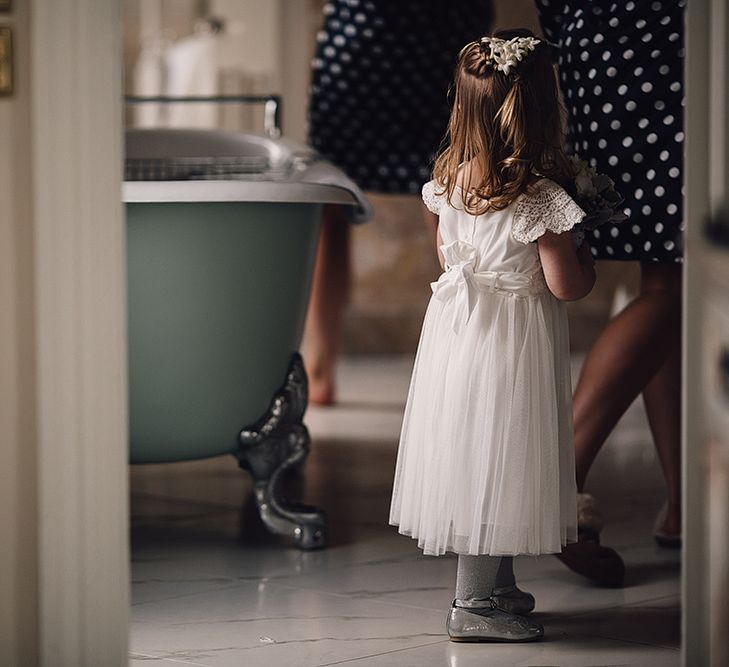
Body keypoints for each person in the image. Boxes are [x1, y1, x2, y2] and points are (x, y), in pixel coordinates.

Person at [389, 30, 596, 642]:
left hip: (459, 336)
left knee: (485, 457)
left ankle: (496, 587)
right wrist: (588, 261)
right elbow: (566, 288)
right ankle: (473, 604)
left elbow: (448, 259)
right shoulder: (539, 199)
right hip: (510, 343)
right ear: (540, 110)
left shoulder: (448, 180)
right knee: (499, 456)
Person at [535, 0, 685, 583]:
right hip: (666, 53)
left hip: (598, 51)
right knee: (677, 281)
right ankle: (559, 478)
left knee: (666, 275)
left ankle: (680, 505)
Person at [305, 0, 494, 405]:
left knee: (450, 193)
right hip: (371, 38)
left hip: (433, 34)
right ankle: (319, 365)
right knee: (330, 196)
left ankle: (475, 356)